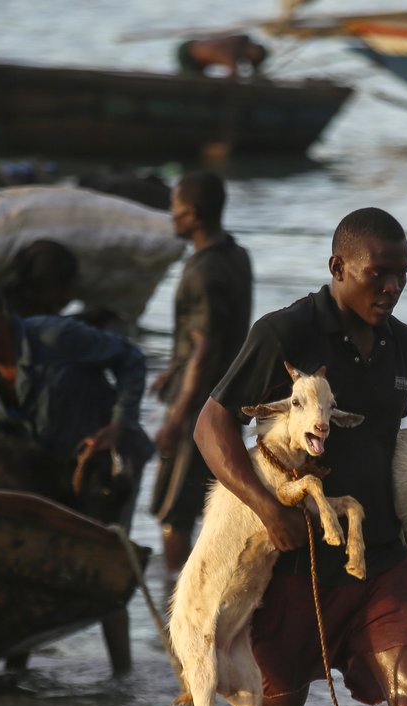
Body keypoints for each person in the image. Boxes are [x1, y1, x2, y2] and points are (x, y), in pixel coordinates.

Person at [190, 207, 407, 706]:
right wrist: (265, 508)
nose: (391, 288)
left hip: (376, 562)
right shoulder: (286, 332)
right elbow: (212, 426)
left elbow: (382, 450)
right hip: (290, 569)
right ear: (338, 267)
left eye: (402, 275)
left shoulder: (405, 346)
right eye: (377, 273)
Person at [0, 248, 153, 671]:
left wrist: (119, 424)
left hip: (108, 467)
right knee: (27, 564)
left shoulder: (55, 337)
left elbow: (131, 359)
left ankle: (122, 680)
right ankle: (17, 671)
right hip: (46, 475)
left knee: (105, 566)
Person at [149, 171, 254, 584]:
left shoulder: (202, 272)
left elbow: (205, 349)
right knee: (215, 506)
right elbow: (216, 337)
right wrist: (172, 370)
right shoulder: (236, 256)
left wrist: (176, 419)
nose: (171, 215)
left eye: (174, 207)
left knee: (174, 514)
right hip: (228, 400)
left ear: (192, 214)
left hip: (198, 408)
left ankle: (177, 595)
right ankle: (214, 587)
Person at [176, 33, 269, 79]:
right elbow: (227, 60)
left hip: (200, 64)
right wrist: (233, 69)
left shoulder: (238, 52)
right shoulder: (235, 46)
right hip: (189, 53)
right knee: (190, 80)